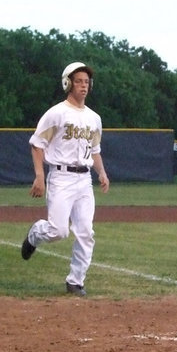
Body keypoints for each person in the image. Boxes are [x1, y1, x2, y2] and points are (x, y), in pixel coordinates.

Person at [21, 61, 110, 297]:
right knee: (58, 231)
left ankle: (75, 281)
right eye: (78, 81)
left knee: (85, 232)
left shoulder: (94, 118)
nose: (83, 85)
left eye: (87, 82)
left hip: (84, 180)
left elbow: (95, 149)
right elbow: (37, 145)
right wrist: (39, 176)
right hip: (60, 176)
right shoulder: (57, 113)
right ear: (67, 83)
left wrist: (101, 172)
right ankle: (35, 234)